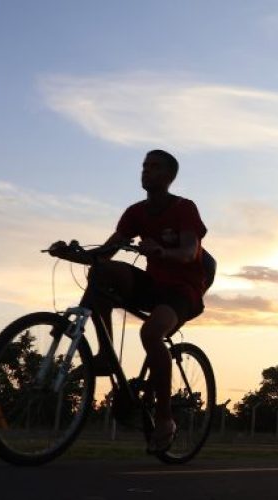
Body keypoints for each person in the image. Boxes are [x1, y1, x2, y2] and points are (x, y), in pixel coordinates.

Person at [48, 149, 208, 454]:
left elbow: (189, 251)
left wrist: (161, 251)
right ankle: (106, 356)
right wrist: (70, 253)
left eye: (155, 167)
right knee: (102, 272)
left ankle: (165, 419)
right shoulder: (135, 212)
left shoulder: (185, 208)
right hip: (153, 285)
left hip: (184, 290)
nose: (146, 171)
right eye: (144, 166)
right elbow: (105, 252)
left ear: (170, 176)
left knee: (150, 334)